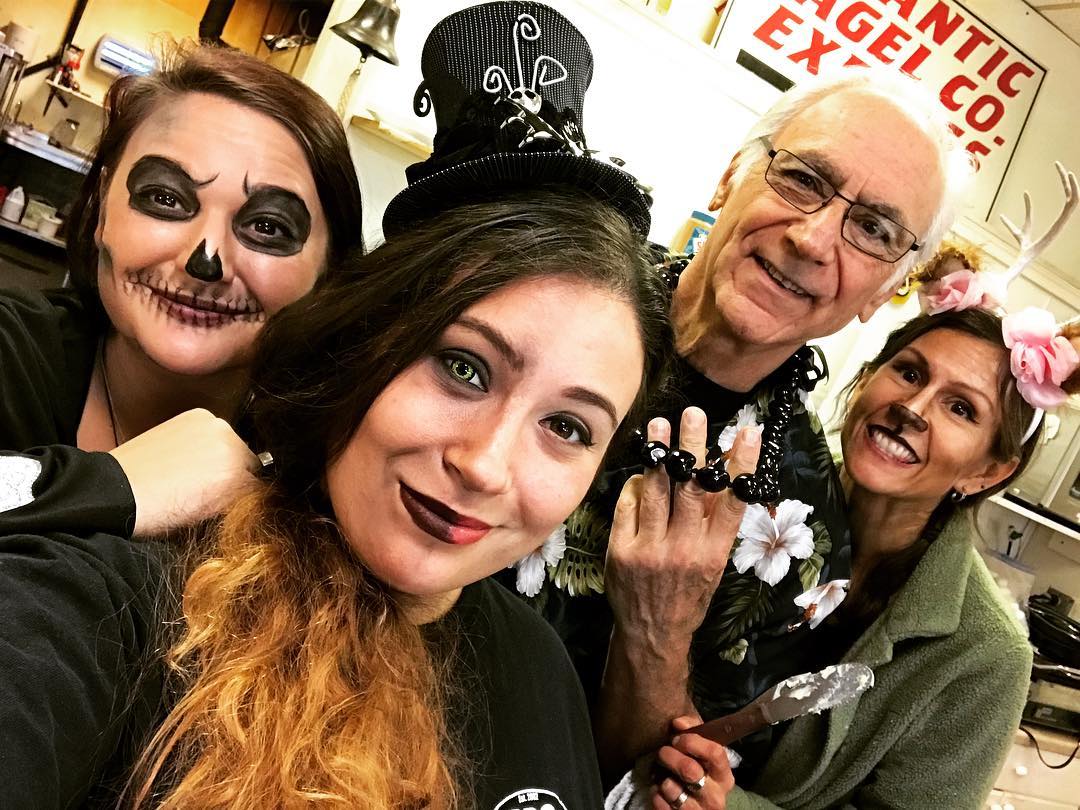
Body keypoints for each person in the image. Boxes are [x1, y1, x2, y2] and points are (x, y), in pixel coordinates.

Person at [516, 67, 976, 781]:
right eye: (802, 179)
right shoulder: (542, 293)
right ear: (730, 176)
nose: (814, 238)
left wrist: (658, 634)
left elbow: (647, 785)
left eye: (873, 229)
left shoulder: (804, 539)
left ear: (884, 289)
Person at [632, 306, 1041, 810]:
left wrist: (730, 806)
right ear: (866, 377)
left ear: (988, 473)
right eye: (909, 373)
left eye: (960, 408)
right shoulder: (748, 489)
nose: (912, 408)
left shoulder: (988, 656)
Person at [0, 43, 364, 537]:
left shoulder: (331, 468)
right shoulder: (11, 351)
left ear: (330, 269)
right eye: (165, 198)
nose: (204, 261)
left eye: (268, 227)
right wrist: (119, 486)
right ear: (103, 209)